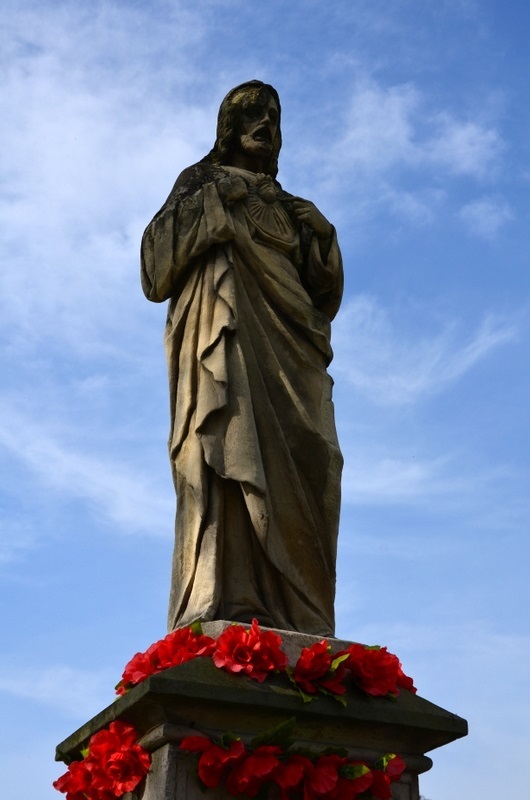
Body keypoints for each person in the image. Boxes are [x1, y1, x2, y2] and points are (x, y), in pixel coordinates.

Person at [141, 80, 343, 636]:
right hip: (227, 352)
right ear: (229, 127)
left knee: (313, 459)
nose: (266, 124)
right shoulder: (200, 181)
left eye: (274, 116)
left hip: (290, 359)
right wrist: (213, 203)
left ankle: (299, 616)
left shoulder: (292, 211)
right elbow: (154, 271)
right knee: (228, 448)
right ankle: (227, 595)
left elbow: (322, 299)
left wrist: (323, 239)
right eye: (254, 113)